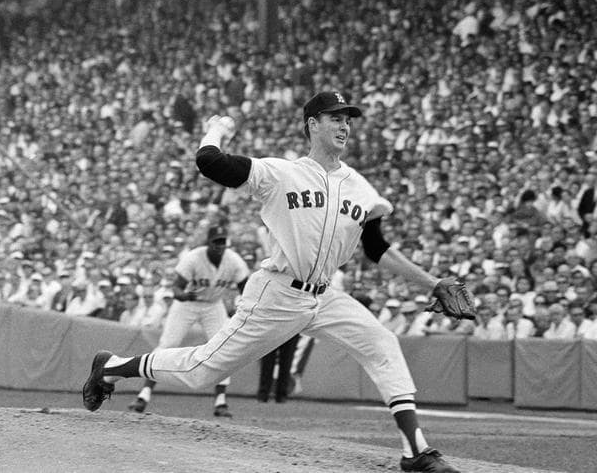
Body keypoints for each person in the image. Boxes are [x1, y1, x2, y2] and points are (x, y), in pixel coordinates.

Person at [83, 92, 463, 473]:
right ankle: (113, 366)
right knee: (202, 371)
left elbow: (377, 247)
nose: (345, 125)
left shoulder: (359, 187)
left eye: (348, 119)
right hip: (278, 293)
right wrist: (217, 128)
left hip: (325, 295)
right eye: (335, 118)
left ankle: (416, 451)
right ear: (312, 124)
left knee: (382, 343)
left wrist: (430, 283)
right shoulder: (280, 173)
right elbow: (209, 162)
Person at [127, 225, 249, 418]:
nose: (219, 246)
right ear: (208, 243)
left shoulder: (234, 261)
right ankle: (143, 395)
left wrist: (243, 306)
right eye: (215, 242)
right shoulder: (193, 257)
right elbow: (176, 288)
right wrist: (184, 296)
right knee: (167, 345)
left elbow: (246, 288)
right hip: (188, 305)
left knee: (225, 349)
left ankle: (221, 402)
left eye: (222, 242)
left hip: (213, 305)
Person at [257, 334, 300, 403]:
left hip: (291, 329)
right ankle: (263, 394)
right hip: (272, 329)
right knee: (267, 363)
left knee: (286, 362)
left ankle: (281, 395)